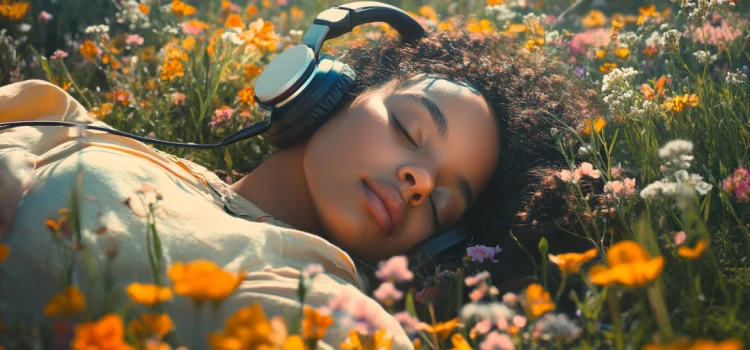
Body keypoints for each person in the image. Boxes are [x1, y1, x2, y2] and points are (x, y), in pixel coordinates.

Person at [0, 14, 601, 350]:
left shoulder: (335, 312)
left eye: (441, 205)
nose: (419, 183)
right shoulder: (72, 121)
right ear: (329, 92)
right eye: (409, 127)